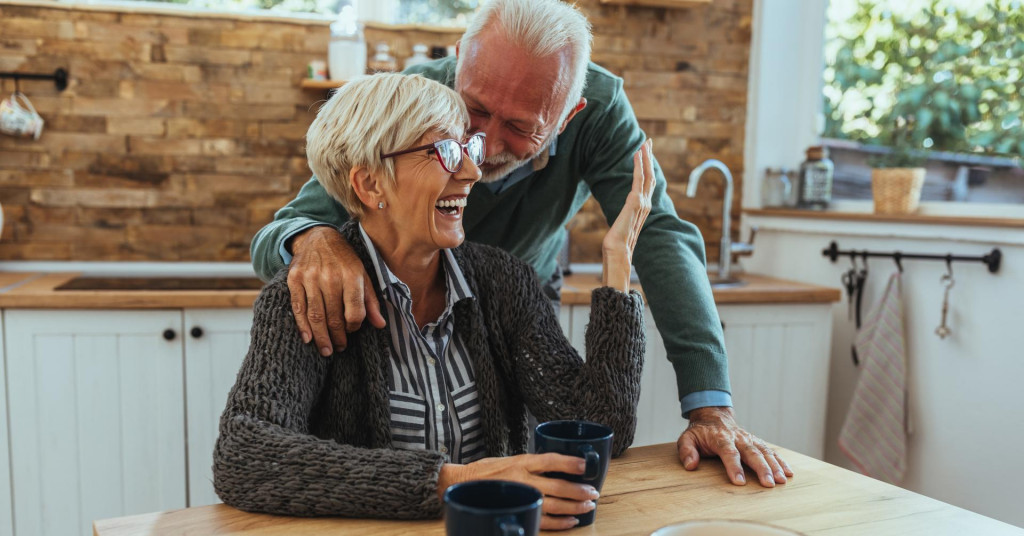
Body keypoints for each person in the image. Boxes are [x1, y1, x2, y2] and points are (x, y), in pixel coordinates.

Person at [249, 0, 792, 487]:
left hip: (518, 300)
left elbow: (659, 235)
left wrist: (709, 406)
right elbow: (293, 222)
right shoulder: (412, 105)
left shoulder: (598, 113)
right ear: (459, 59)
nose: (478, 152)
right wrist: (315, 238)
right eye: (474, 111)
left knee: (511, 444)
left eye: (520, 127)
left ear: (569, 115)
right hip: (385, 310)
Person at [214, 73, 652, 531]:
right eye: (443, 152)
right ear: (370, 185)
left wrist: (618, 262)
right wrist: (455, 480)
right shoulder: (305, 298)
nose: (471, 172)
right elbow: (244, 454)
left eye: (468, 149)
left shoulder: (505, 283)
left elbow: (601, 425)